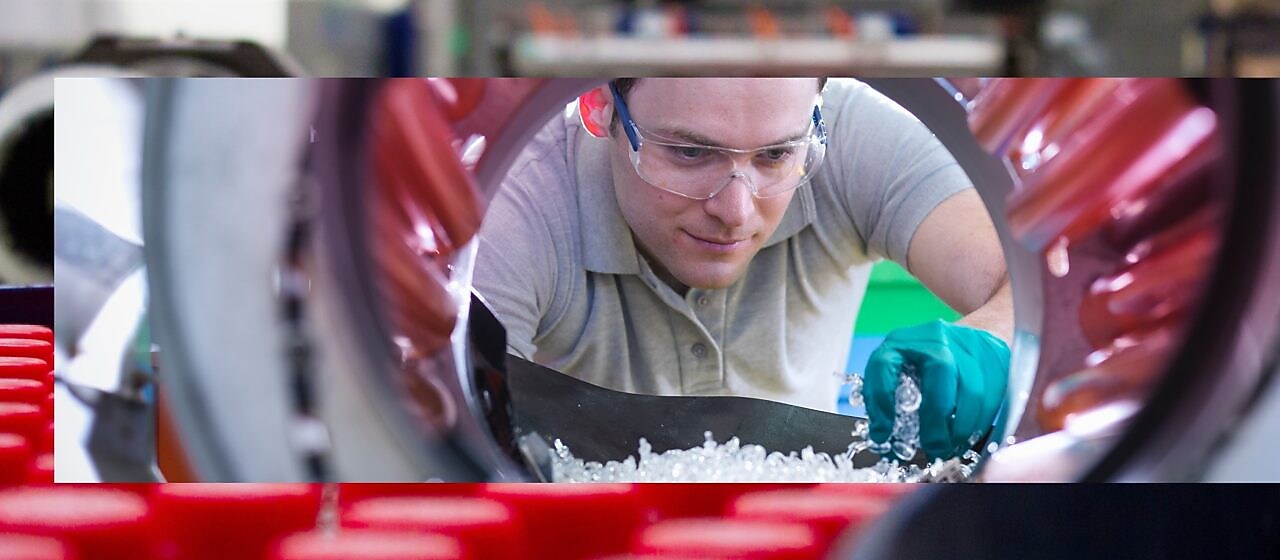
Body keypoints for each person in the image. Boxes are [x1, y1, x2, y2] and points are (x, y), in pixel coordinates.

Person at [473, 78, 1012, 461]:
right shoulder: (519, 199)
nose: (735, 211)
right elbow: (452, 418)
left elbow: (1036, 286)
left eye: (775, 156)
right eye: (689, 153)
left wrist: (988, 343)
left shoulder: (855, 133)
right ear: (598, 106)